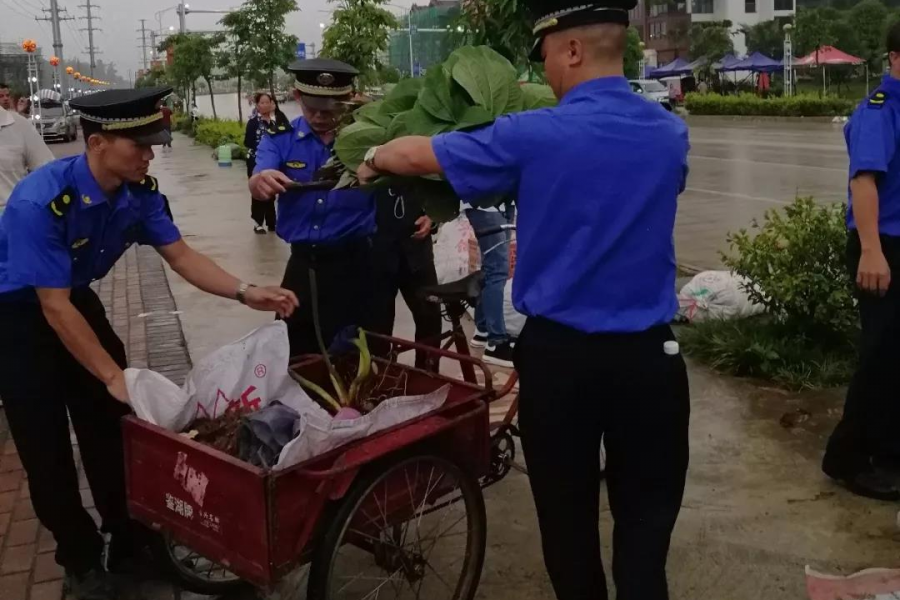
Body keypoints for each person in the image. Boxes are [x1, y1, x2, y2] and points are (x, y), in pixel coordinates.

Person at [354, 0, 691, 596]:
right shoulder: (670, 133)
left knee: (567, 526)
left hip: (563, 364)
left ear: (573, 50)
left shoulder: (534, 135)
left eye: (549, 58)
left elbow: (415, 154)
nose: (546, 74)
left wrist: (372, 157)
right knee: (646, 533)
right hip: (651, 363)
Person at [0, 86, 298, 600]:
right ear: (97, 143)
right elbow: (52, 307)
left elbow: (181, 256)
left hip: (74, 299)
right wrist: (111, 376)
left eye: (152, 144)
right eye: (138, 145)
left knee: (114, 429)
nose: (149, 155)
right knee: (46, 450)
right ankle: (79, 558)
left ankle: (128, 541)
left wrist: (246, 291)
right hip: (18, 319)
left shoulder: (138, 195)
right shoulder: (40, 201)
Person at [249, 59, 380, 354]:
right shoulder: (280, 138)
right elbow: (259, 178)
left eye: (331, 109)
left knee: (360, 355)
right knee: (294, 354)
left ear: (349, 99)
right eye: (312, 108)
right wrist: (260, 182)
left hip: (357, 264)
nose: (320, 116)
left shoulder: (371, 139)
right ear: (297, 97)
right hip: (303, 265)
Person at [823, 22, 900, 501]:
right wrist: (871, 250)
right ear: (895, 58)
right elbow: (864, 181)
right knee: (879, 357)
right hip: (884, 246)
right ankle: (846, 458)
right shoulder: (880, 109)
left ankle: (890, 452)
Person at [372, 187, 441, 369]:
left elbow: (442, 189)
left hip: (417, 251)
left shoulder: (423, 168)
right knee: (377, 326)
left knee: (430, 319)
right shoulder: (360, 167)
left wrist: (433, 216)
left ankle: (427, 377)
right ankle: (381, 378)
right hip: (375, 250)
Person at [466, 200, 516, 367]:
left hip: (504, 202)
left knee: (491, 268)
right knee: (497, 270)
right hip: (486, 204)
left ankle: (483, 330)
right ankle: (496, 343)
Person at [243, 92, 285, 234]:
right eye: (262, 102)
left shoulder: (277, 120)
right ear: (257, 105)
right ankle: (258, 222)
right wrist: (263, 149)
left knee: (272, 189)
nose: (265, 105)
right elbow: (248, 142)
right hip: (255, 160)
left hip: (274, 161)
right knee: (258, 189)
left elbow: (286, 135)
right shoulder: (253, 122)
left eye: (268, 102)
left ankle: (272, 221)